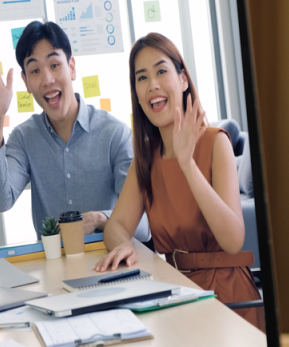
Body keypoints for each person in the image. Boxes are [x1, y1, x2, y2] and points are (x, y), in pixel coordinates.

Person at [94, 33, 263, 329]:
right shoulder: (146, 160)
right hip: (175, 293)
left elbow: (233, 240)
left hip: (227, 300)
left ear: (183, 80)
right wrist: (123, 245)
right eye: (142, 78)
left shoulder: (216, 142)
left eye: (161, 71)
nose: (152, 85)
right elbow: (116, 225)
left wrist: (188, 166)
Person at [0, 20, 149, 240]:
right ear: (26, 82)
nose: (47, 79)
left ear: (72, 68)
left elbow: (143, 226)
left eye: (54, 65)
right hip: (52, 261)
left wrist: (98, 219)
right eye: (35, 70)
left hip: (109, 257)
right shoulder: (24, 138)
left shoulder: (115, 134)